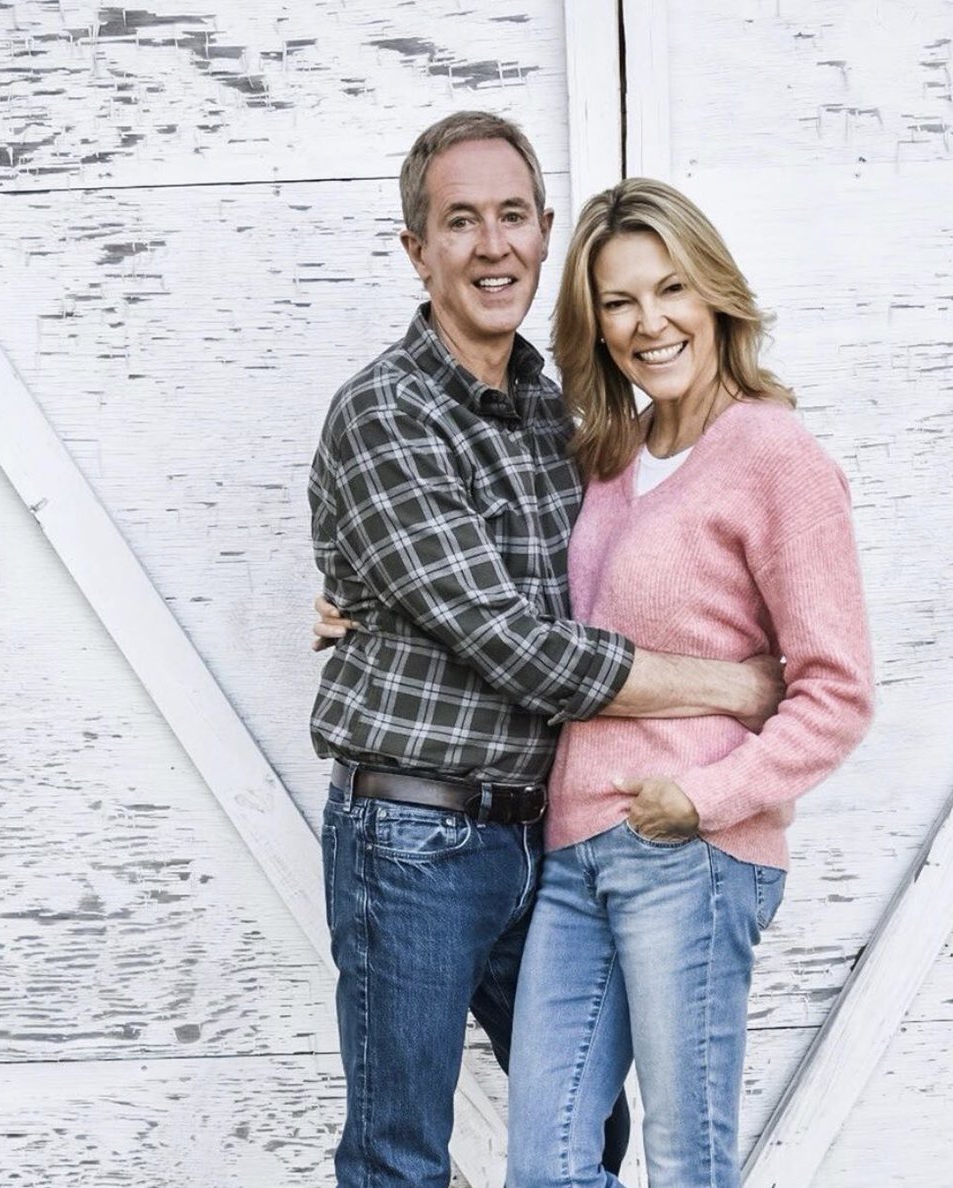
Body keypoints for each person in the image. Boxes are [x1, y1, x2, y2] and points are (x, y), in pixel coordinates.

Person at [308, 114, 785, 1188]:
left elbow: (627, 583)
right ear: (416, 249)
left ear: (543, 231)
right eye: (459, 221)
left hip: (548, 837)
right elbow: (520, 648)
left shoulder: (556, 413)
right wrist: (738, 686)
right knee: (400, 1156)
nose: (492, 246)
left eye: (512, 216)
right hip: (415, 835)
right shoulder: (386, 415)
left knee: (578, 1133)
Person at [503, 178, 875, 1188]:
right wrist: (361, 604)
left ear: (714, 294)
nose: (649, 322)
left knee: (685, 1163)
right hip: (576, 849)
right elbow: (511, 603)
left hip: (691, 852)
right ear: (596, 324)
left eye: (670, 289)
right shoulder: (610, 458)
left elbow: (837, 691)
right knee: (544, 1167)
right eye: (619, 301)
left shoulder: (773, 454)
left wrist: (702, 799)